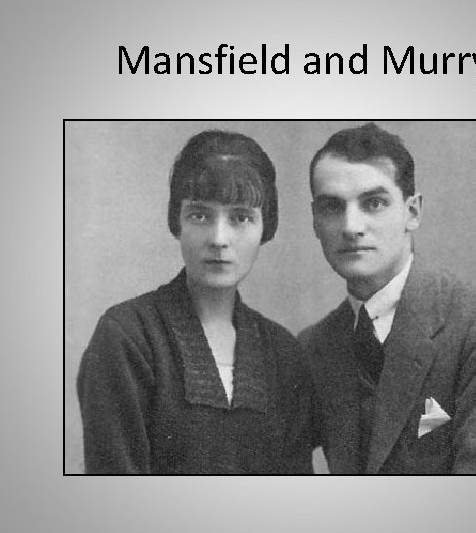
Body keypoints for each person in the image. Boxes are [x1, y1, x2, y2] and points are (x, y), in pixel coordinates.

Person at [300, 123, 476, 474]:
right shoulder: (313, 348)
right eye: (332, 207)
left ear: (412, 213)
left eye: (374, 203)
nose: (351, 226)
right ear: (315, 223)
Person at [77, 129, 314, 474]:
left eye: (241, 217)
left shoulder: (283, 353)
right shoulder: (127, 337)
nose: (219, 239)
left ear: (266, 227)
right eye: (200, 215)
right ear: (177, 221)